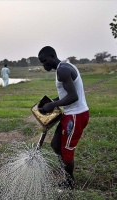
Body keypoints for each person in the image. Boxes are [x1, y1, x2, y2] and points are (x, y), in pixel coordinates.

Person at [38, 46, 89, 190]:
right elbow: (66, 95)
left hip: (76, 115)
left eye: (45, 61)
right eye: (41, 62)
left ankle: (70, 181)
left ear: (53, 56)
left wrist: (53, 104)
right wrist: (49, 103)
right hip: (70, 114)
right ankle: (66, 172)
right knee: (55, 144)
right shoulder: (63, 67)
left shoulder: (63, 70)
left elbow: (73, 96)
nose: (43, 65)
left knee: (66, 151)